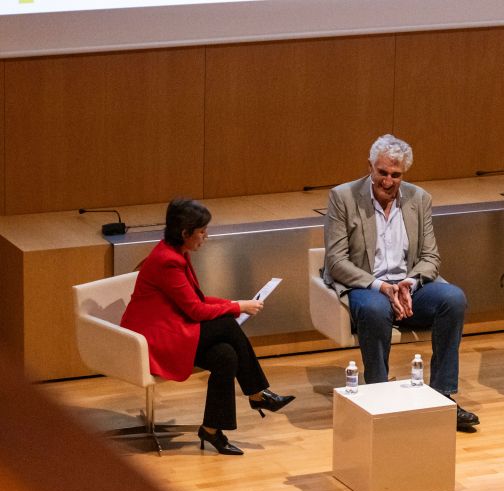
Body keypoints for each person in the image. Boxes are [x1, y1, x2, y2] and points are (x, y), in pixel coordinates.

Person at [322, 134, 479, 432]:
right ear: (370, 166)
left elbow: (431, 256)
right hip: (367, 285)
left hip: (407, 286)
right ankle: (379, 397)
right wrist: (381, 287)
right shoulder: (343, 197)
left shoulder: (419, 199)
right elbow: (336, 262)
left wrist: (409, 283)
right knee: (374, 309)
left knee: (453, 299)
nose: (388, 181)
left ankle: (443, 395)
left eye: (396, 175)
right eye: (382, 172)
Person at [121, 198, 294, 455]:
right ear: (185, 233)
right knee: (226, 325)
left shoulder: (176, 253)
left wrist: (236, 302)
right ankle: (257, 393)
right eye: (202, 231)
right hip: (153, 339)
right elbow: (196, 310)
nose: (206, 236)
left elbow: (196, 300)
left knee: (225, 355)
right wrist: (238, 307)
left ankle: (212, 429)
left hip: (172, 328)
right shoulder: (167, 261)